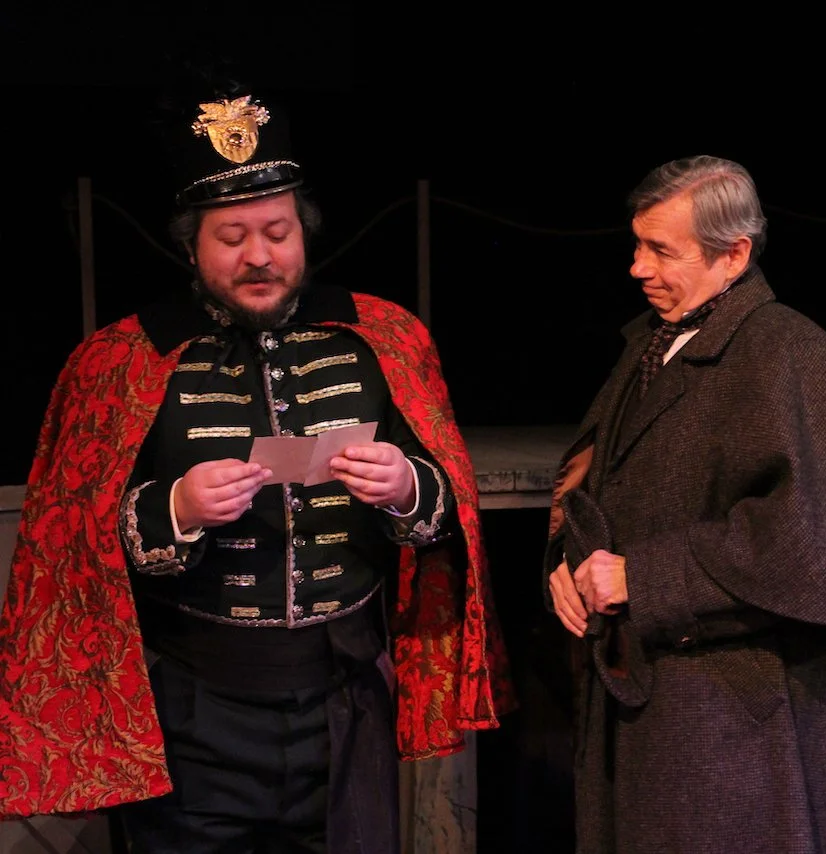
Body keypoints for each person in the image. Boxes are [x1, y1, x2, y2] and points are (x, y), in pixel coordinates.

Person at [0, 83, 512, 852]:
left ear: (303, 233)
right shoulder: (123, 359)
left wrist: (408, 487)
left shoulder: (383, 336)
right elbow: (71, 544)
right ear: (190, 247)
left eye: (276, 231)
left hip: (345, 702)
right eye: (231, 236)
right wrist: (175, 508)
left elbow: (448, 506)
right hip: (196, 711)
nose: (259, 256)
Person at [543, 155, 826, 853]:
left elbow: (813, 539)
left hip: (738, 716)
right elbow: (592, 473)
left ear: (733, 254)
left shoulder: (788, 353)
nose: (637, 268)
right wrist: (569, 560)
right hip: (653, 693)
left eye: (661, 250)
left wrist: (642, 578)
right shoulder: (653, 343)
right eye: (637, 245)